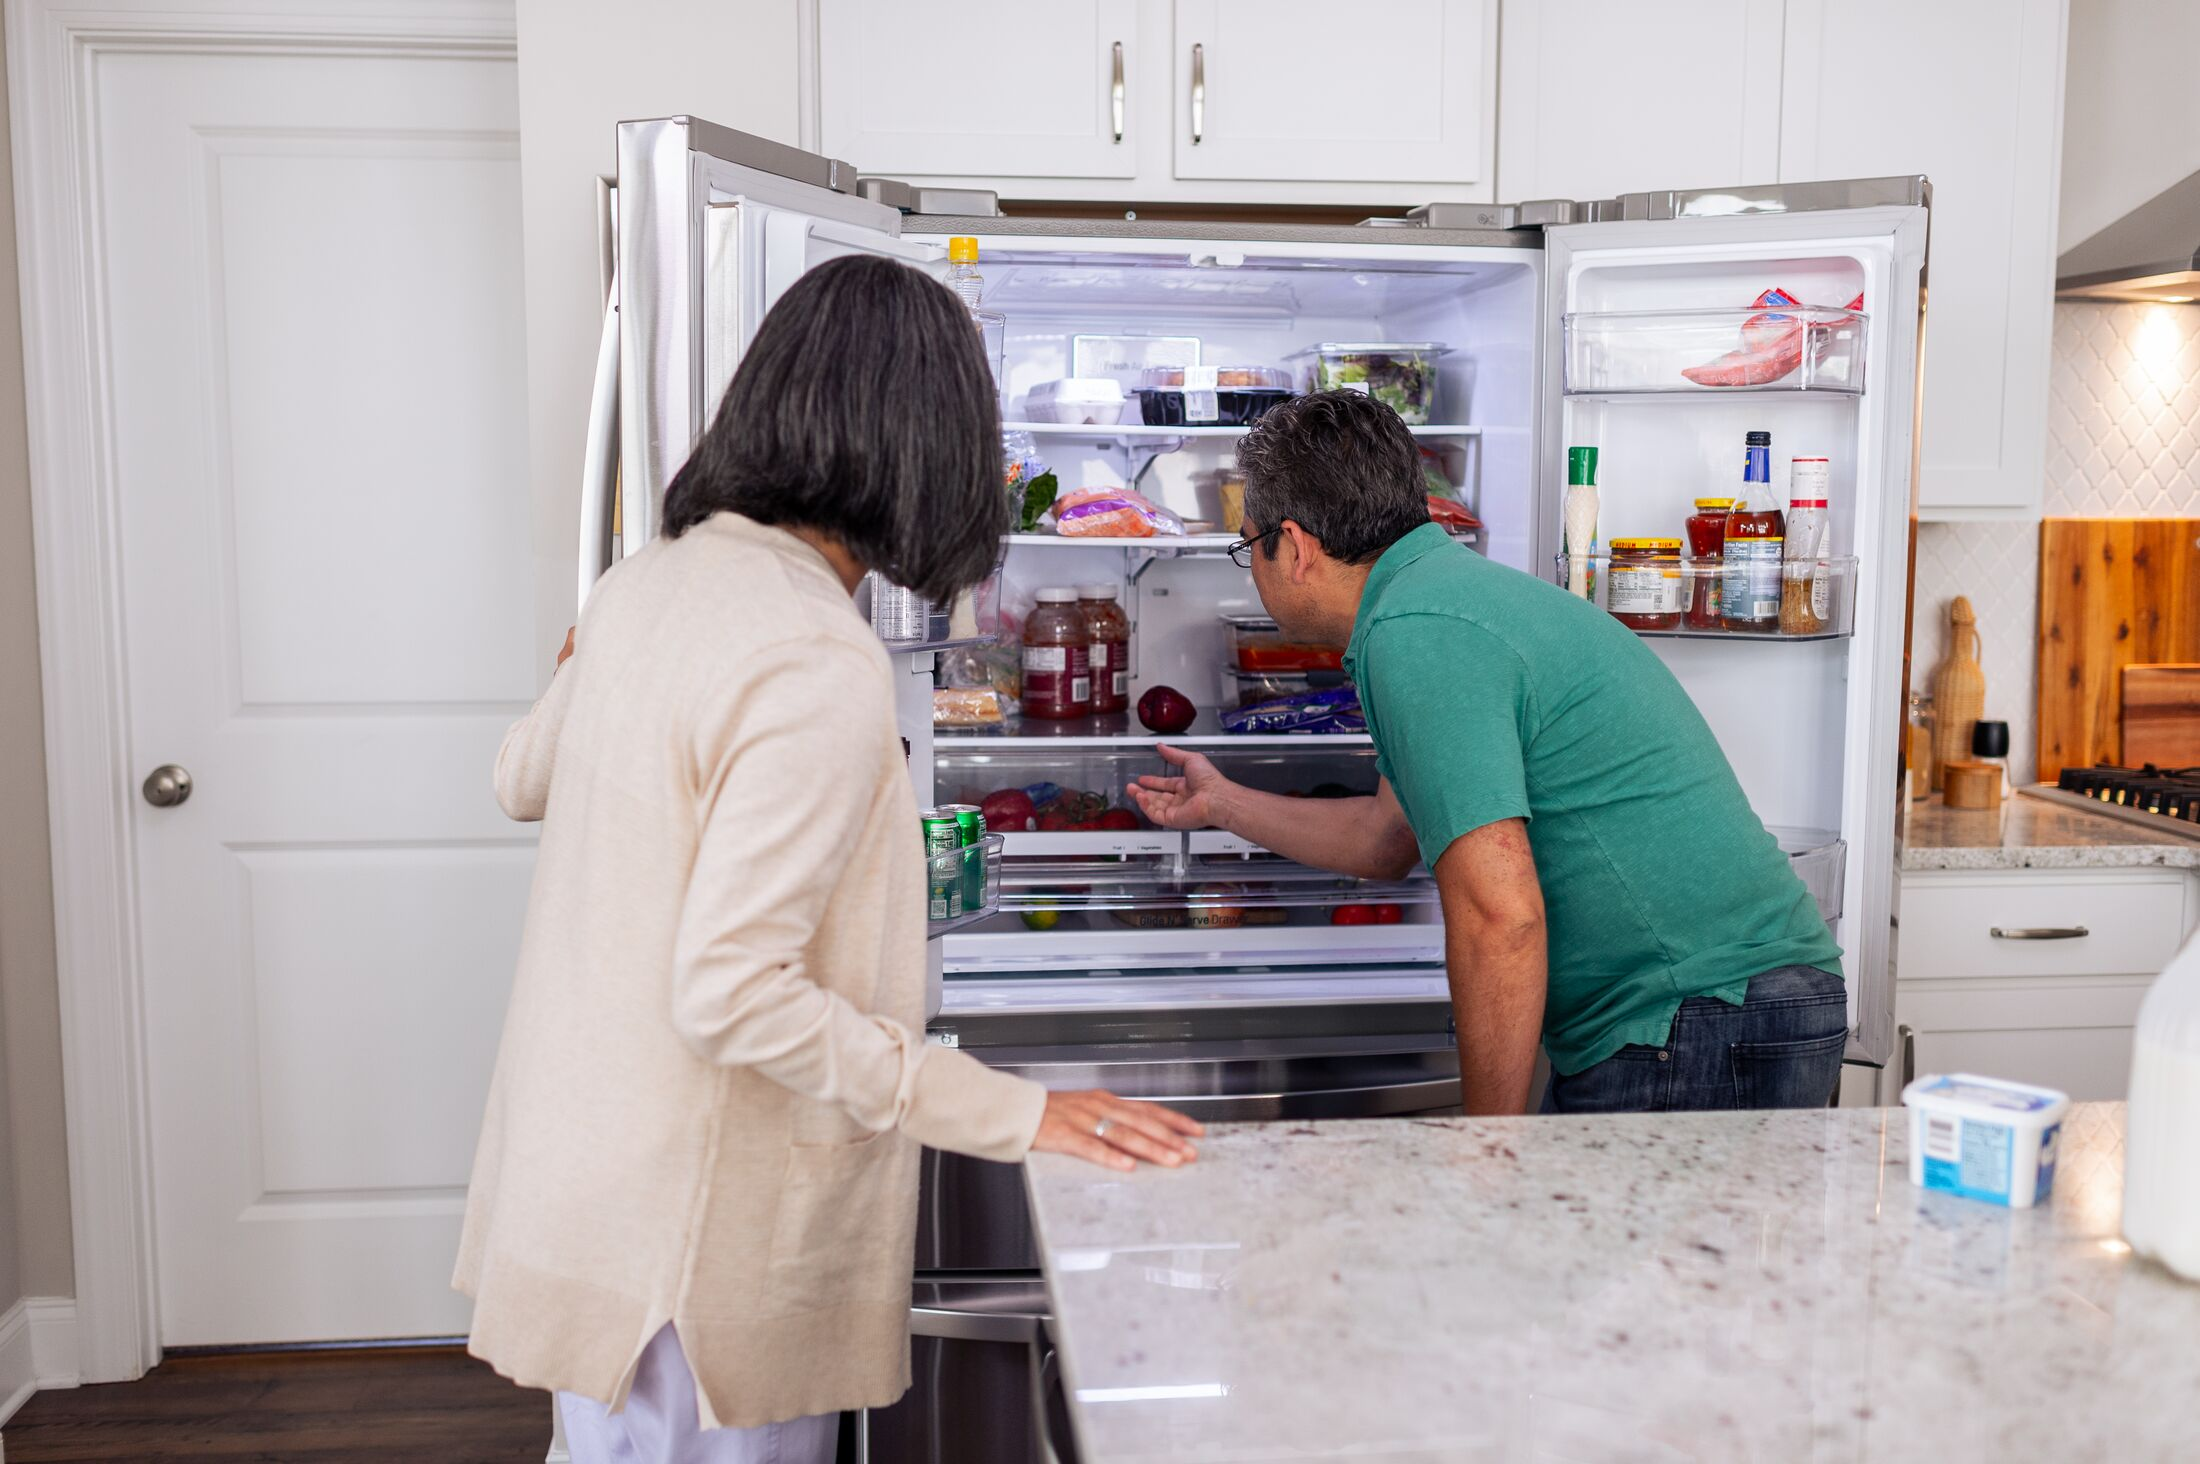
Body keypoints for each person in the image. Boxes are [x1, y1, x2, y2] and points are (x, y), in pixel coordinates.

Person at [455, 255, 1201, 1464]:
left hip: (593, 1198)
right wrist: (1019, 1116)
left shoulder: (647, 584)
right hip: (701, 1250)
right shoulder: (809, 649)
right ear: (925, 446)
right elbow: (731, 990)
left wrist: (595, 656)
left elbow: (519, 778)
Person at [1129, 391, 1846, 1117]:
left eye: (1247, 546)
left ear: (1298, 546)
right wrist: (1220, 803)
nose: (1249, 567)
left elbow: (1499, 915)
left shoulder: (1416, 633)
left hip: (1696, 1018)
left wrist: (1490, 1145)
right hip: (1740, 1006)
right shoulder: (1441, 599)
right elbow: (1387, 838)